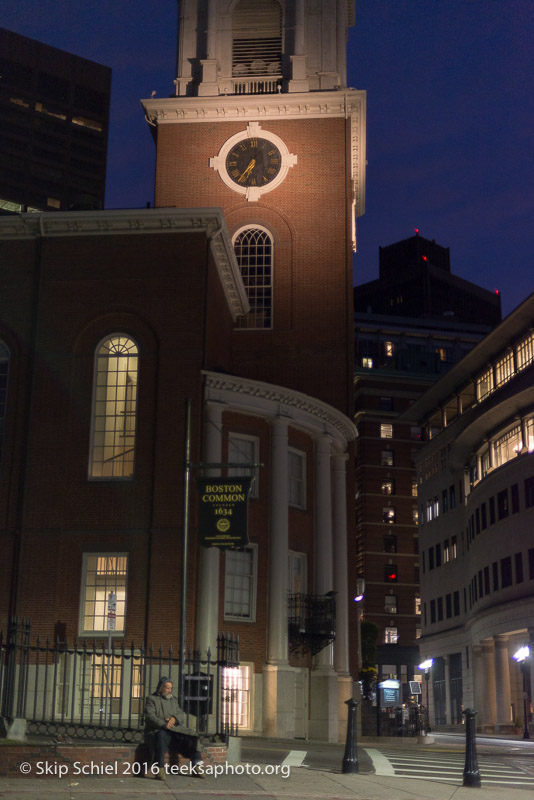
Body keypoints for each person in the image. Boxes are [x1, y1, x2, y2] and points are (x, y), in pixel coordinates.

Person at [144, 676, 205, 781]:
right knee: (160, 736)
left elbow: (180, 714)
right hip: (159, 729)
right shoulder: (152, 699)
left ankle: (196, 766)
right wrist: (164, 723)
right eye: (167, 688)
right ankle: (159, 769)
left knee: (192, 735)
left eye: (171, 688)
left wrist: (174, 719)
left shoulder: (173, 699)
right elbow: (150, 716)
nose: (169, 691)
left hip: (174, 729)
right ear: (161, 688)